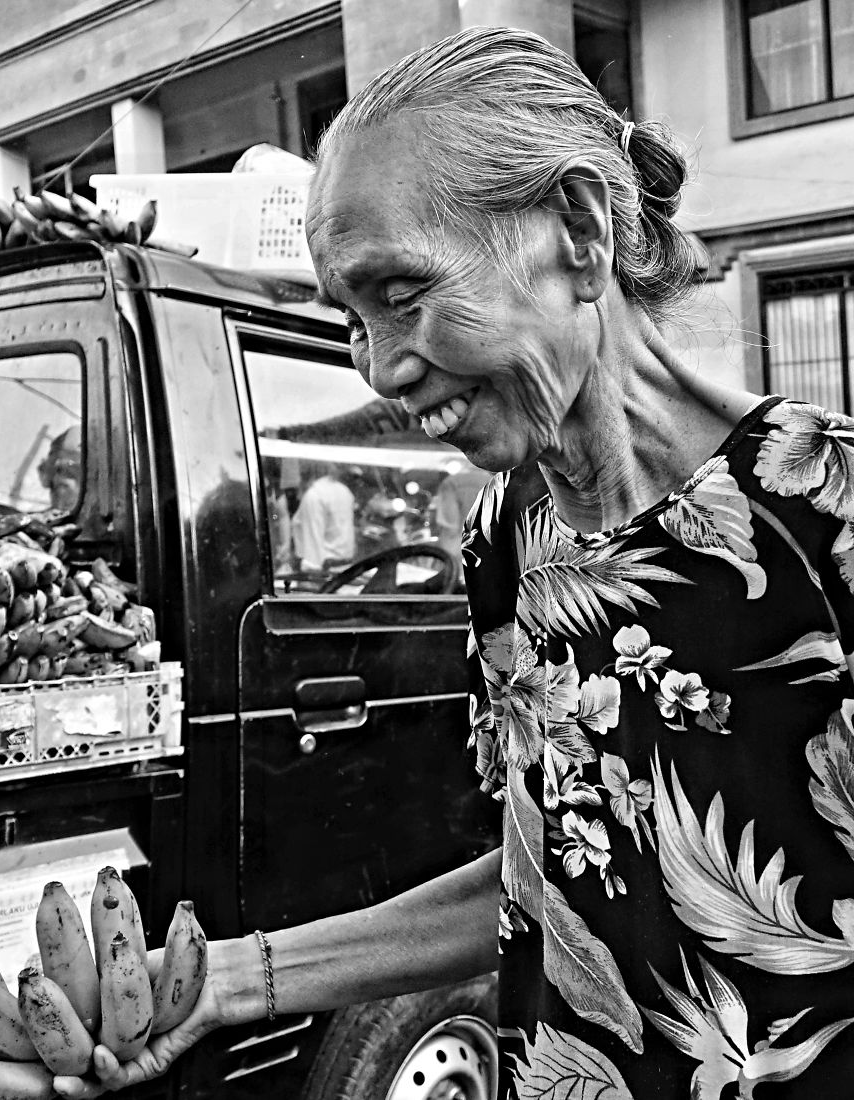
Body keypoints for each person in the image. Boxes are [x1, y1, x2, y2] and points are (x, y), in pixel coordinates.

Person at [53, 26, 854, 1100]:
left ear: (578, 233)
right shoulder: (505, 537)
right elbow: (550, 868)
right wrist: (223, 981)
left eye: (402, 293)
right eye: (352, 320)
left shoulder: (827, 510)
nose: (382, 369)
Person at [290, 462, 356, 570]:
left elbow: (313, 556)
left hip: (324, 572)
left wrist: (310, 573)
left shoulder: (314, 496)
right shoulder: (344, 490)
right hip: (345, 569)